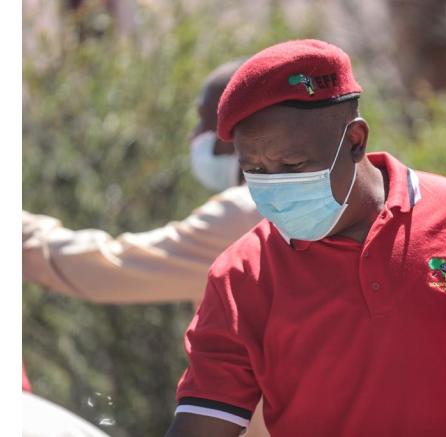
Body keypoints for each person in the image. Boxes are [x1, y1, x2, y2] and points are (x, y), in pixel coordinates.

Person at [166, 39, 446, 437]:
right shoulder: (240, 279)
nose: (273, 184)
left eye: (293, 164)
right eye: (255, 170)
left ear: (355, 140)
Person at [22, 60, 270, 436]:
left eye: (202, 121)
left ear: (229, 129)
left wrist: (21, 234)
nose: (193, 138)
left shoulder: (242, 214)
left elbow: (115, 270)